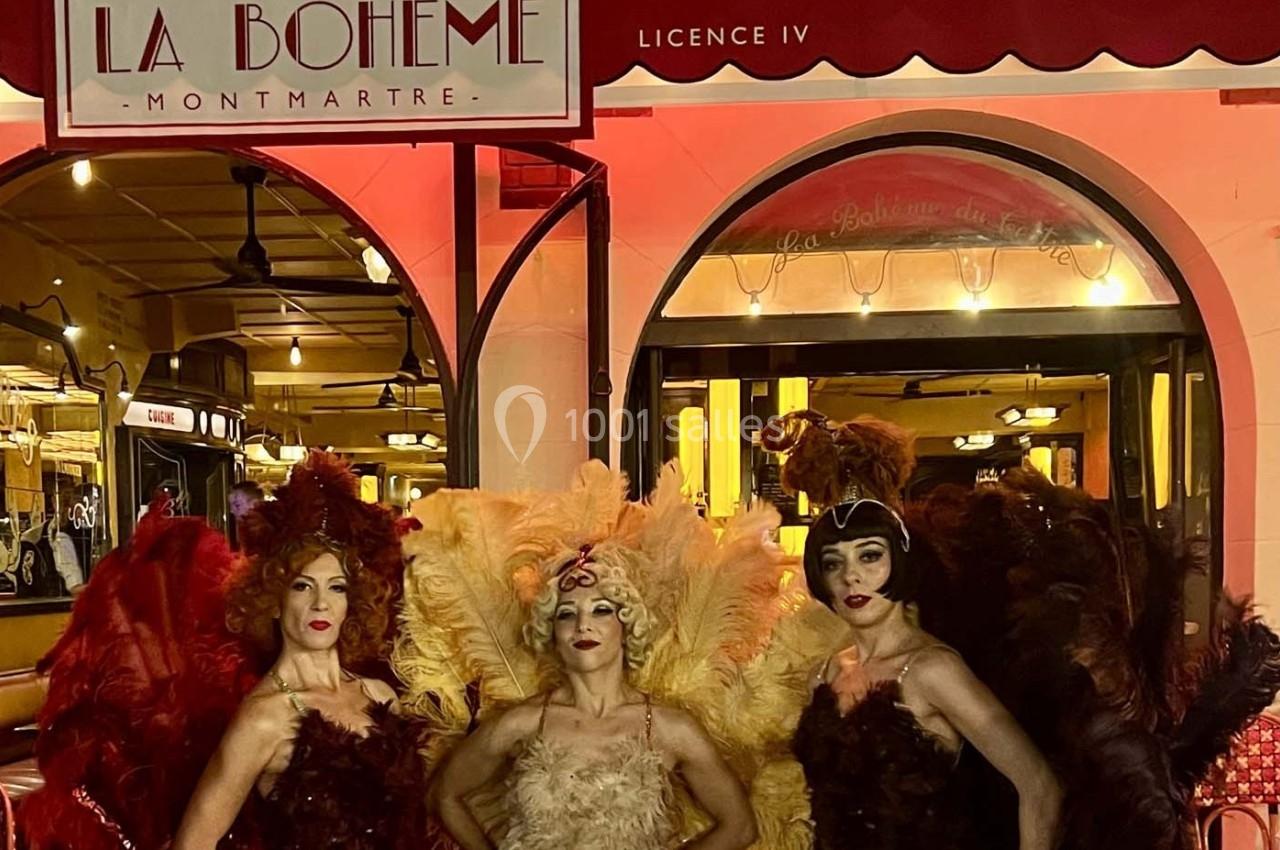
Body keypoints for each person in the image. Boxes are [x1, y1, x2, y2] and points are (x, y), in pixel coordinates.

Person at [397, 461, 802, 850]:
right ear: (550, 632)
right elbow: (445, 796)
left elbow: (739, 826)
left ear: (627, 627)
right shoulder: (522, 722)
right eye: (566, 614)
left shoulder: (667, 728)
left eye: (602, 610)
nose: (582, 626)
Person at [763, 411, 1060, 850]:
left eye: (869, 557)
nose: (851, 578)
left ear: (898, 564)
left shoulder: (930, 669)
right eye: (833, 563)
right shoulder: (825, 673)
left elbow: (1040, 785)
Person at [174, 450, 430, 850]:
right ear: (273, 600)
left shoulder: (379, 696)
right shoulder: (264, 718)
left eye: (337, 588)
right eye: (301, 585)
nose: (320, 604)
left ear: (353, 603)